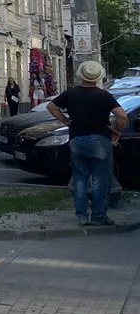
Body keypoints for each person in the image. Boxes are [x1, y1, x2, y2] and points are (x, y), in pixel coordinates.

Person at [47, 60, 128, 227]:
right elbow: (122, 116)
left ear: (81, 76)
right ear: (98, 77)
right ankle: (98, 216)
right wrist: (118, 130)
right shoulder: (104, 95)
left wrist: (66, 121)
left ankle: (82, 217)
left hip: (77, 138)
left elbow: (51, 106)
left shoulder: (71, 93)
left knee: (80, 178)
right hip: (100, 139)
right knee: (100, 178)